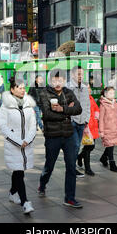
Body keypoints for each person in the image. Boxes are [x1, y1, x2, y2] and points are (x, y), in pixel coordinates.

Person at [37, 70, 83, 208]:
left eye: (61, 80)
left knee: (71, 166)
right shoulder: (44, 93)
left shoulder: (68, 92)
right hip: (53, 136)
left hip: (69, 134)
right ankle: (42, 184)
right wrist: (67, 112)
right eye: (55, 80)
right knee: (49, 166)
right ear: (51, 81)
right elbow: (47, 114)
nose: (58, 83)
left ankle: (69, 198)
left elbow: (78, 109)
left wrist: (61, 109)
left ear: (64, 81)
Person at [0, 77, 37, 214]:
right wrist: (18, 141)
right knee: (19, 172)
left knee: (18, 170)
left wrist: (28, 139)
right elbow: (3, 127)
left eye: (23, 87)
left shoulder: (28, 104)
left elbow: (33, 124)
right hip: (13, 145)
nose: (23, 90)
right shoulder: (5, 106)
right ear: (12, 89)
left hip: (27, 144)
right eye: (19, 87)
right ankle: (25, 202)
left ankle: (12, 192)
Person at [68, 66, 91, 179]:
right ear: (72, 75)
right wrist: (70, 118)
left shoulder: (85, 88)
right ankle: (72, 169)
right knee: (75, 145)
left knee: (77, 147)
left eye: (82, 74)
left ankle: (72, 167)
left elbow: (87, 105)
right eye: (78, 74)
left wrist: (87, 119)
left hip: (82, 121)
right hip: (72, 121)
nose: (80, 76)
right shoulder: (67, 87)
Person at [98, 87, 117, 172]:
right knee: (110, 145)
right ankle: (112, 163)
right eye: (110, 93)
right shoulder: (103, 105)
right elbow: (101, 119)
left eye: (113, 93)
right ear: (105, 94)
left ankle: (103, 158)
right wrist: (101, 131)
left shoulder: (115, 103)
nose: (112, 95)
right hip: (107, 129)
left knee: (111, 145)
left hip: (114, 128)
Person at [77, 84, 100, 176]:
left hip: (93, 126)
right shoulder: (81, 100)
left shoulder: (91, 98)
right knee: (87, 148)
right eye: (87, 88)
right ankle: (87, 168)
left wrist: (97, 115)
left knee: (91, 147)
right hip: (86, 127)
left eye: (89, 88)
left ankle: (79, 157)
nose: (89, 89)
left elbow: (96, 109)